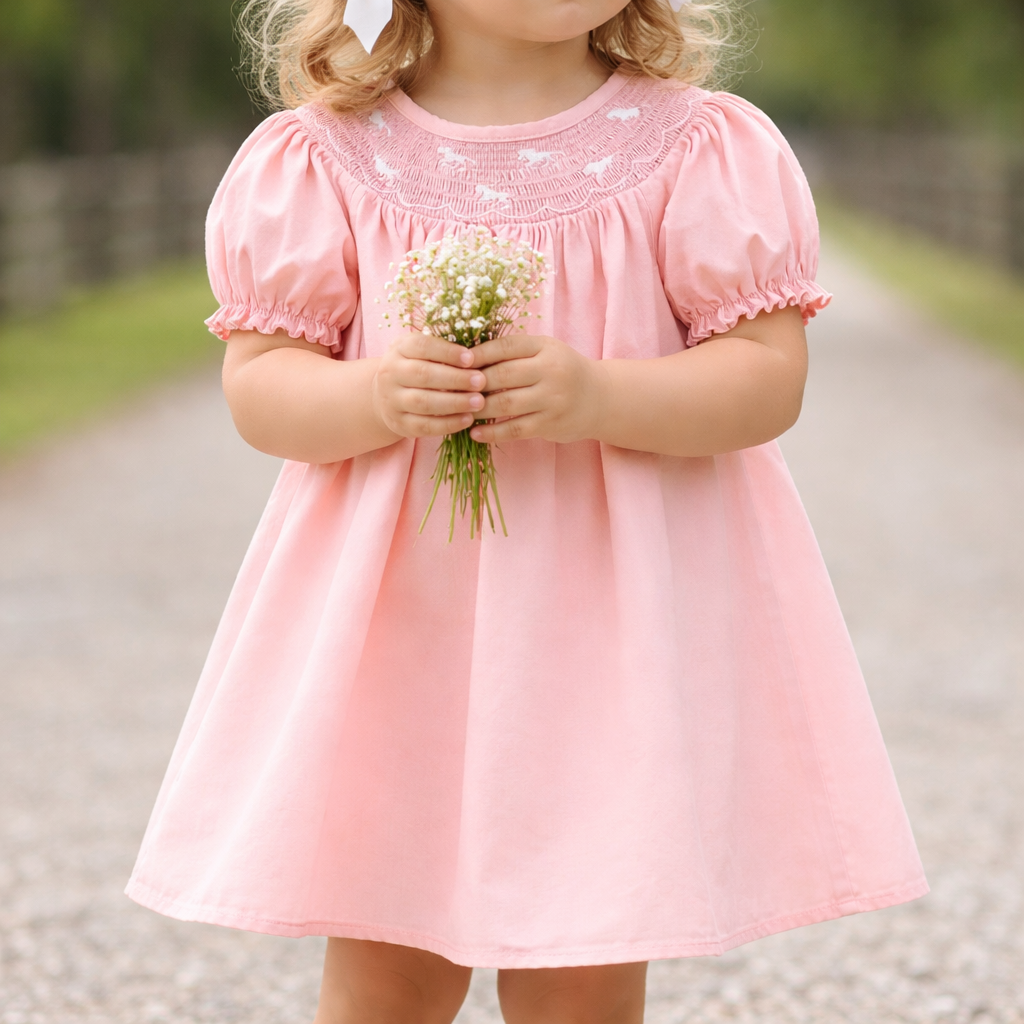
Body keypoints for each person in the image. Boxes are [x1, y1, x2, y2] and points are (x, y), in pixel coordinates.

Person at [125, 1, 929, 1020]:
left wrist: (600, 393)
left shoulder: (693, 146)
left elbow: (767, 379)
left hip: (608, 640)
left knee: (584, 960)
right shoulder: (326, 157)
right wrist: (374, 393)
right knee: (388, 958)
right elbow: (261, 388)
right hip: (401, 635)